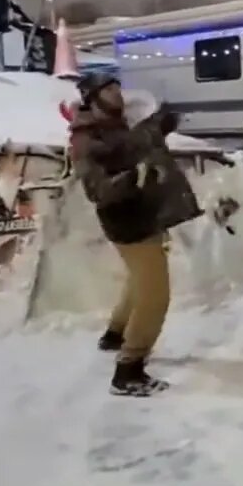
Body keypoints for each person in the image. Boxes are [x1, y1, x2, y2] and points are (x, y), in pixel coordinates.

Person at [71, 73, 202, 397]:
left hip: (142, 214)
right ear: (93, 98)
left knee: (137, 281)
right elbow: (97, 190)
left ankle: (115, 334)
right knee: (156, 295)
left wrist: (161, 123)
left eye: (117, 87)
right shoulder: (87, 140)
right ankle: (129, 369)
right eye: (109, 90)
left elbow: (135, 144)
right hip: (128, 222)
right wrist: (132, 178)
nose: (118, 94)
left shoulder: (115, 127)